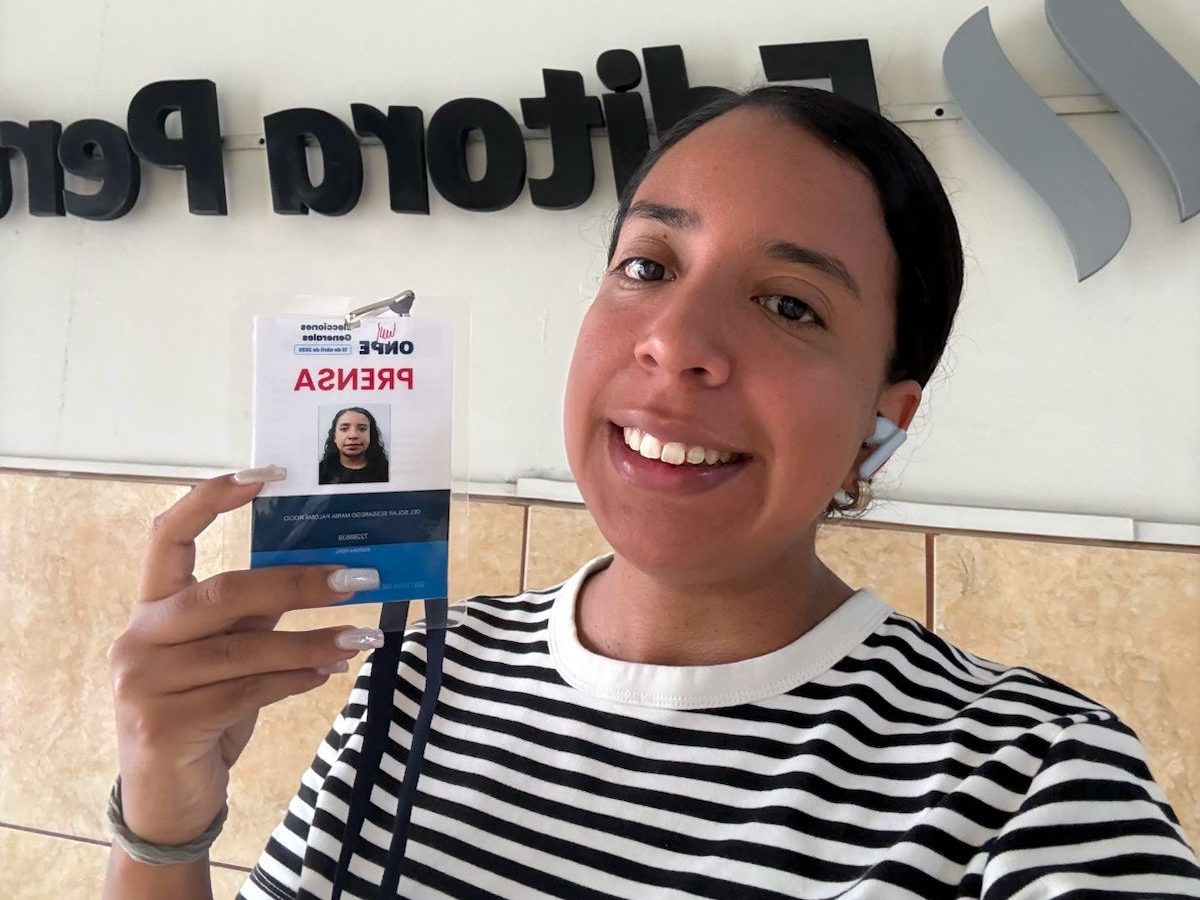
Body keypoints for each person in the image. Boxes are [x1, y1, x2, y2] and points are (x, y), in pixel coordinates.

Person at [104, 86, 1200, 900]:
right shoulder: (419, 676)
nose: (676, 342)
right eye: (648, 267)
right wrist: (164, 810)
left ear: (882, 423)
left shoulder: (1032, 785)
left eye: (790, 305)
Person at [317, 407, 390, 485]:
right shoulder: (319, 473)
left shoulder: (388, 472)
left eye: (362, 429)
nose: (353, 435)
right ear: (334, 436)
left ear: (371, 435)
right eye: (344, 429)